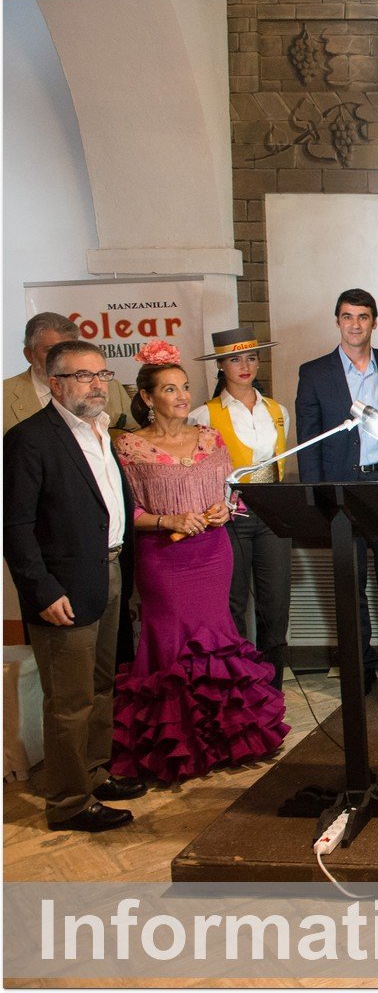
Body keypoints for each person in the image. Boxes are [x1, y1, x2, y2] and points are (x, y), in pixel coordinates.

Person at [110, 344, 288, 783]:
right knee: (171, 644)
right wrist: (165, 519)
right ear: (148, 398)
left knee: (218, 638)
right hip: (163, 559)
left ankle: (225, 740)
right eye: (170, 389)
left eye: (185, 387)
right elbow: (121, 510)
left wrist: (223, 511)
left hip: (213, 553)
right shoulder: (129, 446)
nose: (182, 396)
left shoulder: (211, 438)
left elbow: (228, 496)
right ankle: (177, 747)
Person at [3, 339, 144, 832]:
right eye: (84, 376)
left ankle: (94, 773)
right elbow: (15, 527)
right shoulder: (30, 439)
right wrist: (41, 591)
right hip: (62, 588)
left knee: (101, 687)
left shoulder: (104, 432)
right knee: (69, 701)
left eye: (102, 375)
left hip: (108, 572)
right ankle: (67, 802)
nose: (97, 385)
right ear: (56, 382)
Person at [294, 287, 378, 695]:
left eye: (363, 317)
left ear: (374, 322)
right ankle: (360, 666)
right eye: (347, 316)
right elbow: (309, 438)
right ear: (337, 321)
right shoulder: (314, 372)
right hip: (343, 487)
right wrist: (316, 498)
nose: (355, 324)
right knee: (351, 581)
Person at [186, 327, 292, 691]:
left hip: (274, 516)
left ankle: (271, 690)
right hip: (230, 517)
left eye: (250, 357)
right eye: (234, 359)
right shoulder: (204, 414)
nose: (244, 366)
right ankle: (238, 692)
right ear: (221, 365)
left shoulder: (278, 411)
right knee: (231, 606)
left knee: (275, 607)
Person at [5, 312, 133, 433]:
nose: (61, 358)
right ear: (29, 355)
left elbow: (135, 439)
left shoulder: (111, 387)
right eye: (51, 350)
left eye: (69, 350)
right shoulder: (5, 396)